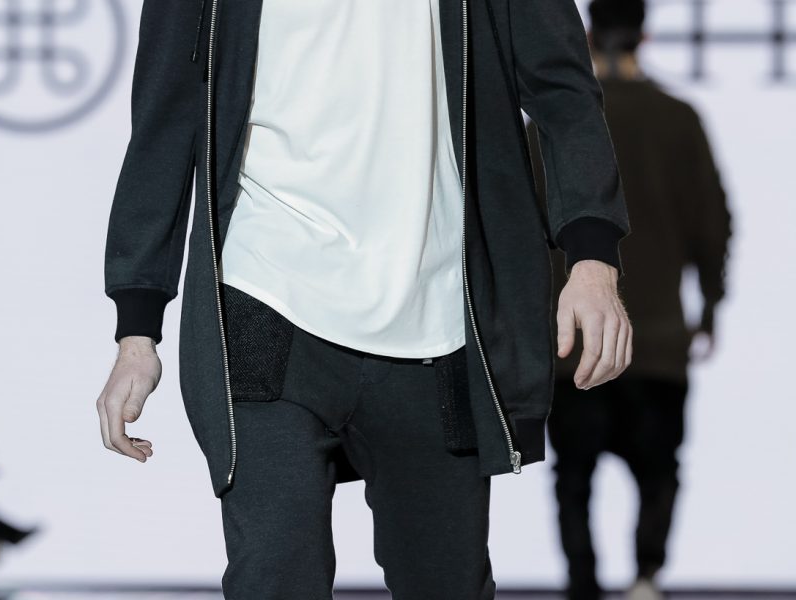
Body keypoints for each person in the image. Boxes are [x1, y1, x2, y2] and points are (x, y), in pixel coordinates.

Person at [97, 0, 632, 597]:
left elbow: (562, 88)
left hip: (436, 317)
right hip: (265, 298)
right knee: (274, 577)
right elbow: (165, 116)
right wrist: (137, 330)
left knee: (446, 584)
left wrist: (592, 258)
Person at [528, 1, 733, 599]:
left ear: (588, 33)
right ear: (645, 35)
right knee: (658, 471)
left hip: (574, 340)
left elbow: (521, 225)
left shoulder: (552, 126)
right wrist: (710, 306)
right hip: (658, 335)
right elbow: (712, 222)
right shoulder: (678, 118)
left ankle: (583, 586)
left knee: (574, 478)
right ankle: (645, 579)